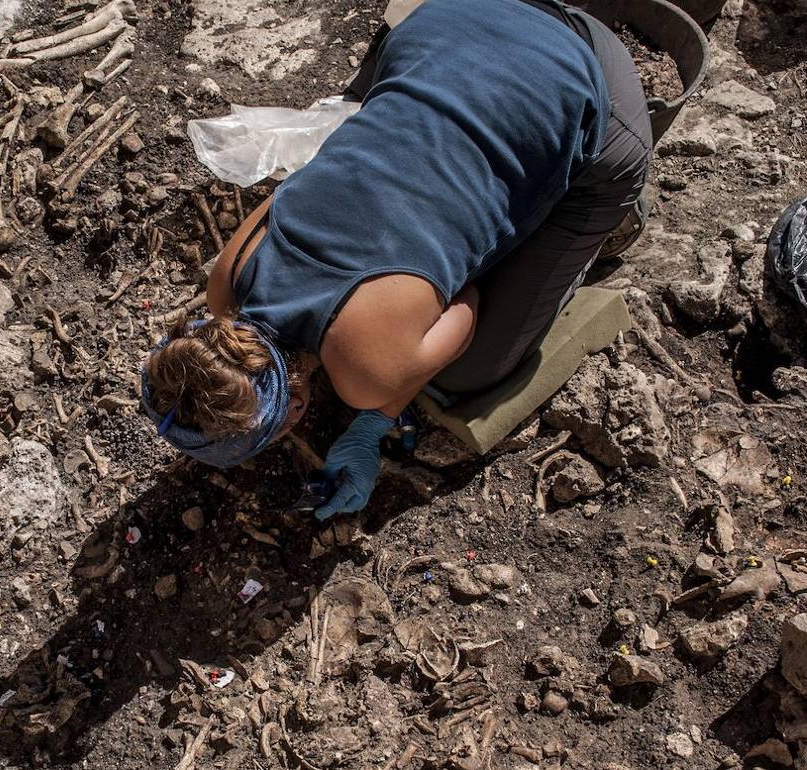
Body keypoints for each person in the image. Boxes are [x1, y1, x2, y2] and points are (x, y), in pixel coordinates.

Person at [141, 0, 652, 520]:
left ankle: (616, 209)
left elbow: (469, 299)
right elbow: (297, 193)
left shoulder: (365, 377)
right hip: (446, 23)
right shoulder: (226, 282)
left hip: (587, 77)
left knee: (472, 370)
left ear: (295, 408)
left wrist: (377, 412)